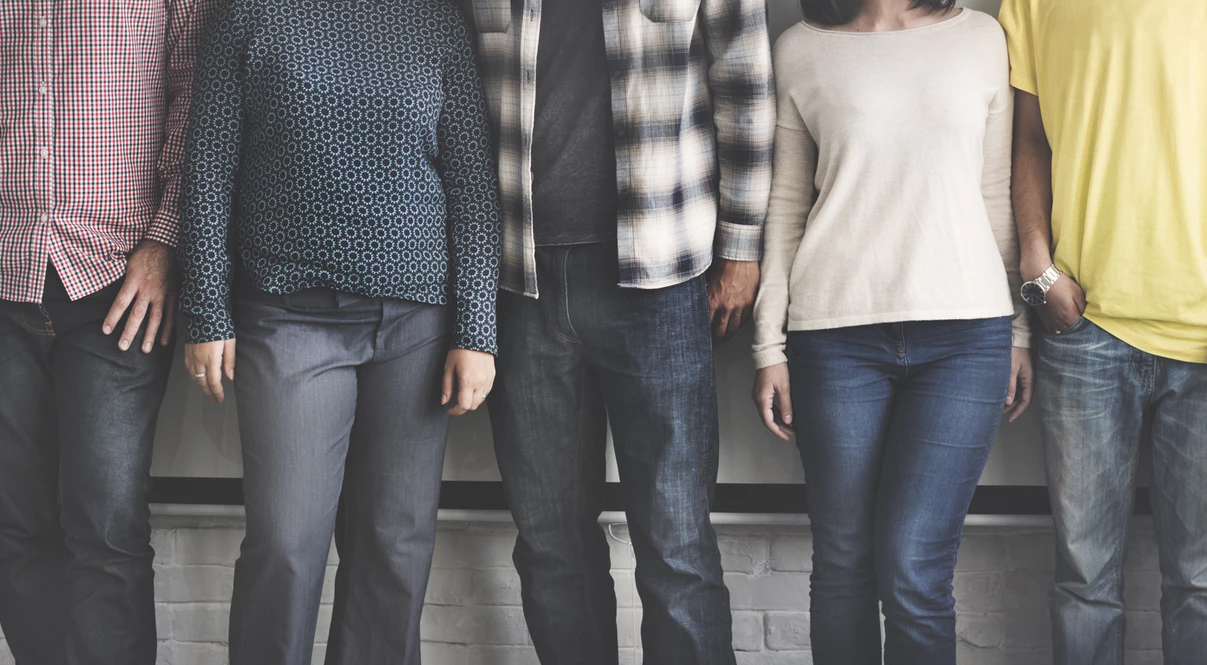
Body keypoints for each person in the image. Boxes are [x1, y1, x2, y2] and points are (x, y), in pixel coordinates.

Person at [177, 0, 501, 662]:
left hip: (418, 322)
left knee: (394, 544)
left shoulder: (436, 17)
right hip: (288, 314)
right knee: (286, 541)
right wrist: (206, 307)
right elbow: (208, 165)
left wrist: (477, 328)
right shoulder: (245, 13)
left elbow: (472, 185)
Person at [457, 0, 774, 662]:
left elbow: (743, 77)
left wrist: (742, 247)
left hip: (656, 281)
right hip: (519, 283)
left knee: (675, 543)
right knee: (549, 544)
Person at [751, 0, 1034, 661]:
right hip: (833, 335)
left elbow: (997, 195)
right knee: (844, 559)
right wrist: (767, 345)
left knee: (912, 565)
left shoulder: (980, 38)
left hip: (965, 338)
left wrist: (1019, 329)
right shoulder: (800, 48)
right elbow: (786, 206)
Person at [0, 1, 217, 662]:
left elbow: (197, 96)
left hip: (117, 285)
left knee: (105, 527)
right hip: (5, 276)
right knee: (15, 527)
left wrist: (165, 240)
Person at [998, 1, 1207, 662]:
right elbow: (1024, 136)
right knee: (1084, 581)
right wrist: (1034, 260)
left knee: (1198, 581)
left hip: (1202, 332)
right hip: (1082, 324)